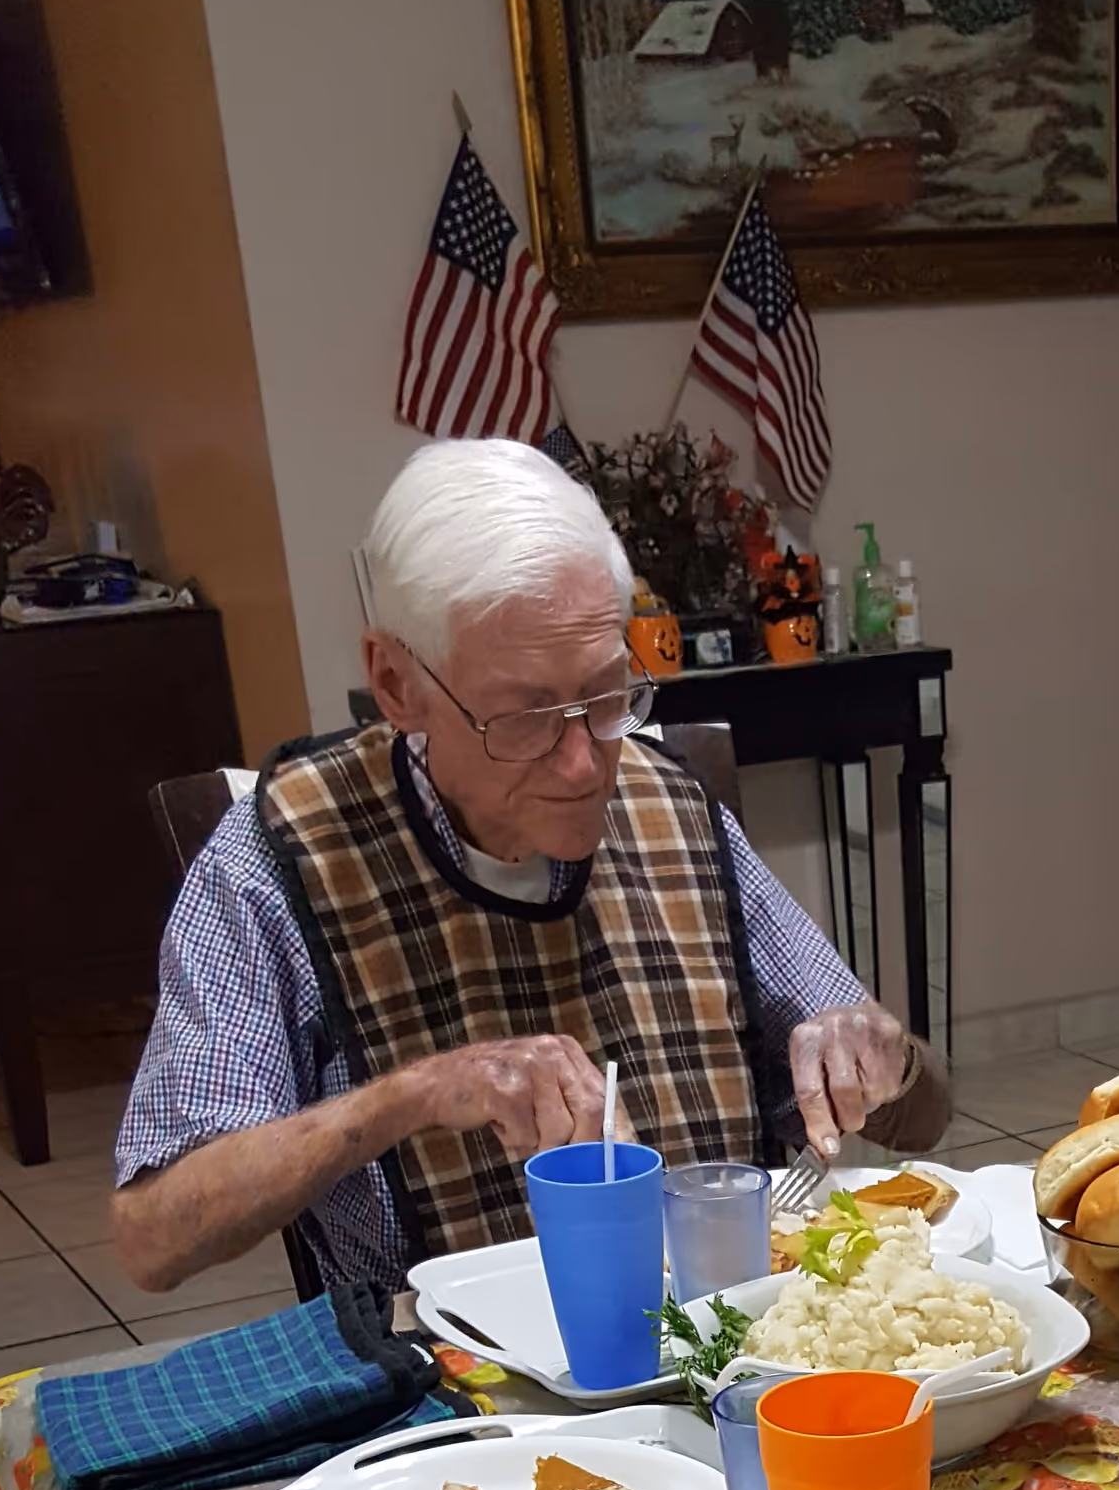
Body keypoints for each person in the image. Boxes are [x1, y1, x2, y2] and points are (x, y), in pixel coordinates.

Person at [110, 440, 946, 1301]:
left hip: (738, 1346)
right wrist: (412, 1096)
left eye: (608, 694)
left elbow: (923, 1115)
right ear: (397, 684)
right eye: (523, 717)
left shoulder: (673, 806)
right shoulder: (278, 855)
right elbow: (153, 1234)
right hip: (459, 1398)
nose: (584, 764)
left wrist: (883, 1058)